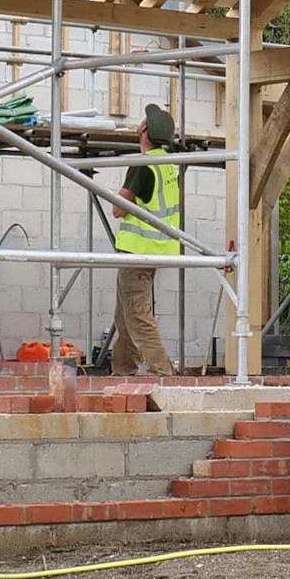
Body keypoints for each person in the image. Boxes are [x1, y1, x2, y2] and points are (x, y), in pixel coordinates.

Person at [110, 104, 180, 376]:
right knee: (125, 315)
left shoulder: (144, 165)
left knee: (137, 315)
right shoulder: (169, 165)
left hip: (137, 252)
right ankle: (123, 368)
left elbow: (118, 209)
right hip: (156, 250)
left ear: (143, 130)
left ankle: (162, 371)